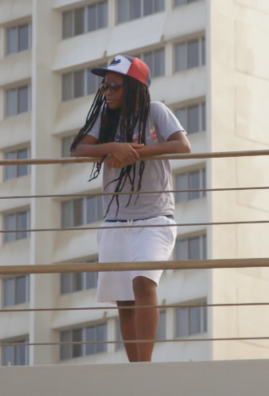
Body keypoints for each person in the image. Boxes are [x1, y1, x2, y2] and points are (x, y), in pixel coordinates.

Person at [69, 55, 191, 362]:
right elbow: (78, 149)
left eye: (115, 86)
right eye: (105, 86)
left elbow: (182, 146)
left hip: (155, 218)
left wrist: (137, 153)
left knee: (143, 284)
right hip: (115, 220)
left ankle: (145, 367)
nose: (107, 92)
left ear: (134, 88)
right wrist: (114, 147)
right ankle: (135, 368)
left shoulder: (155, 111)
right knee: (124, 299)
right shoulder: (106, 118)